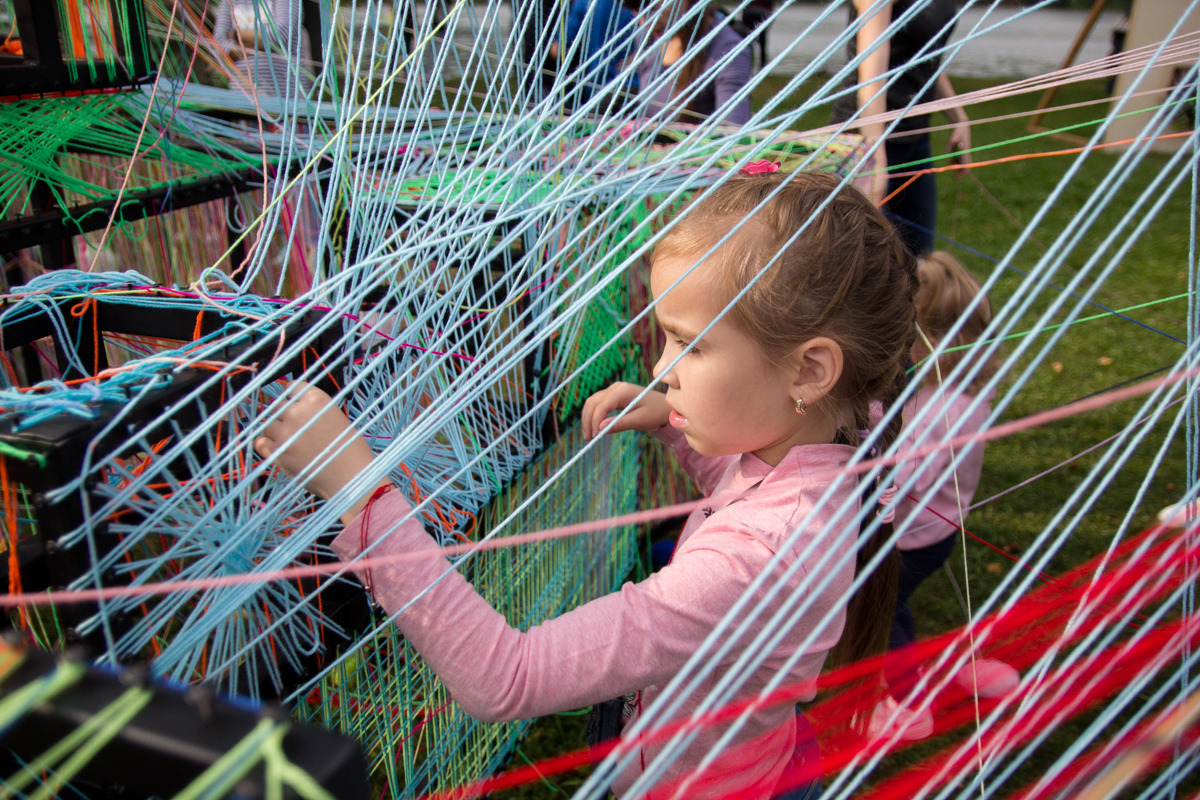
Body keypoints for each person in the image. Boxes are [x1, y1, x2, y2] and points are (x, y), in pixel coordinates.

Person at [254, 171, 919, 798]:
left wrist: (358, 489)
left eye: (691, 346)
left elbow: (503, 678)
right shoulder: (825, 458)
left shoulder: (751, 563)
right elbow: (743, 486)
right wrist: (669, 420)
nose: (665, 369)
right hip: (754, 759)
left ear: (808, 372)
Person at [869, 251, 1015, 740]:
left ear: (923, 336)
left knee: (877, 610)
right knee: (896, 605)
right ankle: (922, 680)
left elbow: (900, 479)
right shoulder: (964, 392)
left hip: (909, 539)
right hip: (936, 531)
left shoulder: (935, 411)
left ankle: (909, 706)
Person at [830, 0, 971, 256]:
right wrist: (875, 154)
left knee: (918, 263)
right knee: (861, 263)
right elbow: (872, 74)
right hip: (863, 141)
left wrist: (958, 116)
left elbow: (923, 57)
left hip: (914, 139)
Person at [635, 0, 753, 126]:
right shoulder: (647, 37)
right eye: (638, 7)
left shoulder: (729, 52)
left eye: (653, 5)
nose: (644, 21)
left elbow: (732, 133)